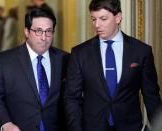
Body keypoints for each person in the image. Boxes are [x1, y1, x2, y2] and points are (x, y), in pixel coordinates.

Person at [64, 0, 161, 131]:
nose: (97, 25)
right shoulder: (79, 53)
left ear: (118, 18)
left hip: (130, 127)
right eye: (93, 19)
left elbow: (151, 97)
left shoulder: (141, 51)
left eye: (103, 19)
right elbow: (72, 99)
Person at [0, 6, 68, 131]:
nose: (44, 37)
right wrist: (5, 123)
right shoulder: (5, 61)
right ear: (27, 32)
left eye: (48, 31)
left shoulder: (66, 59)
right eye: (38, 31)